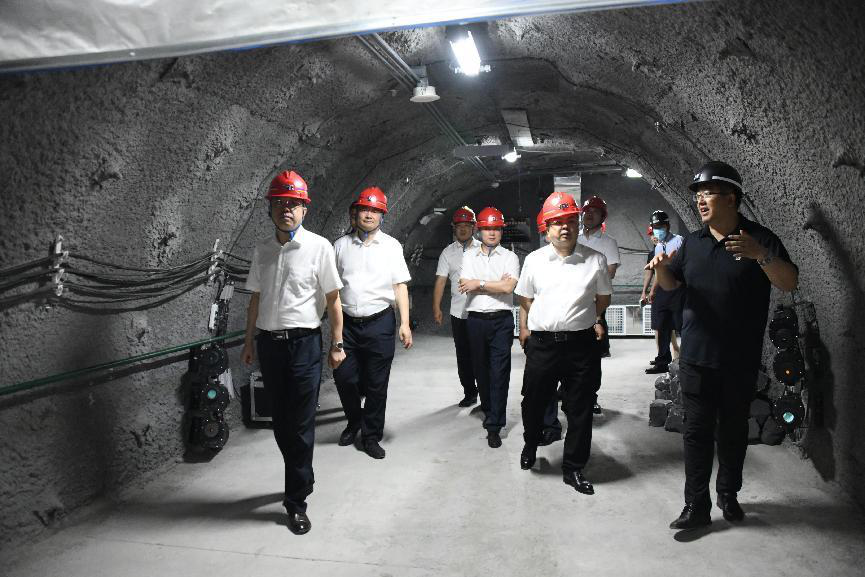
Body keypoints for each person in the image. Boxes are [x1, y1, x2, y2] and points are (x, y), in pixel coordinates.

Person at [647, 161, 798, 530]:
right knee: (696, 433)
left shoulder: (760, 239)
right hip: (696, 358)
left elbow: (789, 282)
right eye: (698, 195)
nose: (700, 200)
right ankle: (695, 506)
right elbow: (672, 286)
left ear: (731, 197)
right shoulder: (692, 244)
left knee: (732, 432)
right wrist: (662, 268)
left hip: (738, 359)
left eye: (708, 193)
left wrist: (759, 255)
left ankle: (728, 494)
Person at [241, 170, 345, 535]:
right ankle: (302, 474)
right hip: (270, 345)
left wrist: (337, 344)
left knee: (300, 424)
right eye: (280, 203)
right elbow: (256, 300)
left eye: (294, 204)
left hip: (304, 344)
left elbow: (333, 299)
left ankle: (296, 502)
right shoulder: (263, 250)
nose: (286, 209)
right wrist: (249, 341)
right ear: (270, 208)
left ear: (304, 210)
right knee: (282, 423)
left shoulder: (319, 248)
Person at [517, 191, 612, 495]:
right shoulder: (534, 261)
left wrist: (588, 318)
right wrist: (540, 319)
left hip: (581, 346)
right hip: (543, 345)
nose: (564, 227)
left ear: (577, 224)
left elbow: (603, 298)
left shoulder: (595, 259)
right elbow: (525, 298)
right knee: (533, 402)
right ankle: (531, 443)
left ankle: (573, 468)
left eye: (570, 221)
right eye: (557, 222)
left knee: (580, 408)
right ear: (546, 228)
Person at [333, 186, 413, 460]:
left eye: (375, 210)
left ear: (382, 215)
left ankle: (370, 436)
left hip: (380, 322)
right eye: (365, 209)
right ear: (356, 213)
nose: (369, 215)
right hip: (347, 325)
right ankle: (354, 420)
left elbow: (400, 286)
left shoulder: (391, 246)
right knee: (344, 377)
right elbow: (332, 288)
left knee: (377, 383)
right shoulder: (340, 246)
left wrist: (404, 323)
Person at [459, 206, 520, 448]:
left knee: (499, 372)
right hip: (475, 320)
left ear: (501, 231)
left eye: (496, 228)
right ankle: (488, 408)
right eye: (487, 228)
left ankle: (495, 425)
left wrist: (480, 283)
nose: (492, 233)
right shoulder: (468, 256)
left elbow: (508, 288)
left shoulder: (510, 257)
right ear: (479, 230)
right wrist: (494, 283)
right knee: (481, 370)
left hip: (501, 321)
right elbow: (466, 284)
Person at [432, 207, 481, 406]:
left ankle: (486, 392)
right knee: (463, 355)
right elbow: (440, 280)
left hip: (480, 312)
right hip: (458, 313)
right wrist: (436, 307)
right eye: (459, 226)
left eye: (467, 225)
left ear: (474, 227)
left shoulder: (483, 248)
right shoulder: (448, 252)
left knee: (481, 354)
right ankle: (470, 392)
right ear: (454, 228)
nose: (462, 229)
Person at [578, 195, 620, 414]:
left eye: (594, 211)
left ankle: (591, 396)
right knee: (570, 352)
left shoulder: (608, 242)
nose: (589, 214)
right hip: (571, 305)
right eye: (587, 210)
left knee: (592, 356)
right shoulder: (574, 238)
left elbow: (609, 273)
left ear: (602, 217)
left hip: (594, 305)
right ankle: (569, 392)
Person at [645, 210, 684, 374]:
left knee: (682, 325)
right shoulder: (658, 247)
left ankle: (685, 360)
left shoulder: (679, 241)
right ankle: (662, 361)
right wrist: (653, 290)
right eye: (655, 227)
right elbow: (658, 271)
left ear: (667, 226)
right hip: (662, 289)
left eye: (660, 226)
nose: (657, 230)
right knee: (661, 324)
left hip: (678, 287)